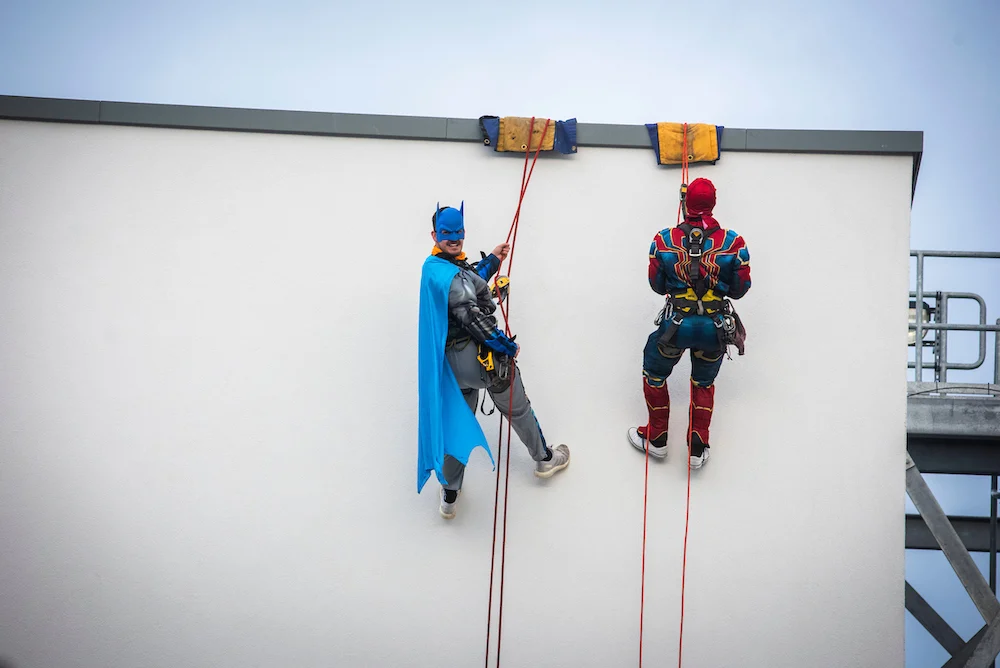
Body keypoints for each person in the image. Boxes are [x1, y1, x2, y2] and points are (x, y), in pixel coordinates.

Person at [417, 202, 570, 519]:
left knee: (458, 422)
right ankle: (544, 458)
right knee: (518, 407)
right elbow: (471, 315)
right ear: (435, 235)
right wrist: (505, 346)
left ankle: (449, 493)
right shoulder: (450, 275)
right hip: (477, 360)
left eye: (458, 232)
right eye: (448, 234)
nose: (454, 238)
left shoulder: (435, 266)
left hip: (450, 368)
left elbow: (467, 277)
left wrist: (493, 261)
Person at [628, 178, 751, 469]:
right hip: (714, 330)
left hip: (675, 327)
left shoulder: (663, 240)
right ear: (713, 203)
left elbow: (657, 285)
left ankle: (657, 438)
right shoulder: (734, 243)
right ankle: (697, 448)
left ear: (686, 203)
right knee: (703, 382)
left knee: (654, 373)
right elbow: (740, 289)